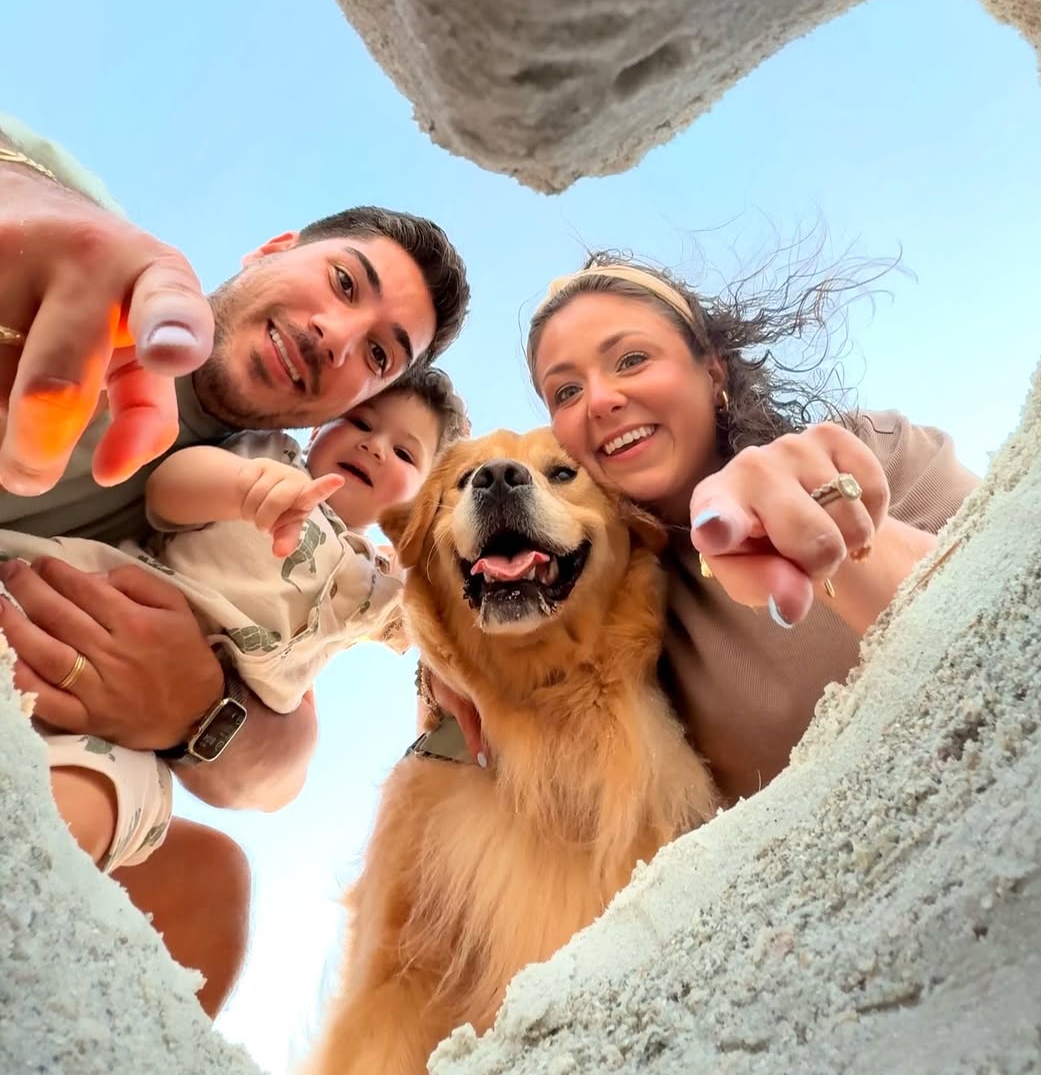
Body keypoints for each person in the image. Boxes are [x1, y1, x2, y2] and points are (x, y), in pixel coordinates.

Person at [0, 121, 470, 1011]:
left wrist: (199, 709)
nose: (338, 336)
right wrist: (35, 207)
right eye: (342, 282)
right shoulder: (92, 253)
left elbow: (281, 758)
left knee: (207, 886)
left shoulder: (272, 514)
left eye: (376, 356)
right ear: (272, 249)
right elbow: (20, 174)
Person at [434, 253, 979, 808]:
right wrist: (439, 671)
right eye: (566, 392)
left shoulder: (875, 456)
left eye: (631, 359)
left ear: (712, 370)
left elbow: (1030, 587)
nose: (600, 400)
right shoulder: (616, 596)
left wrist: (834, 537)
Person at [2, 363, 468, 874]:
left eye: (405, 453)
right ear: (318, 429)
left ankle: (25, 883)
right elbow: (168, 491)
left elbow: (446, 622)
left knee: (124, 795)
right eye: (360, 422)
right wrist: (243, 487)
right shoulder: (270, 459)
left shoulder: (380, 584)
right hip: (96, 596)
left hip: (135, 737)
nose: (376, 446)